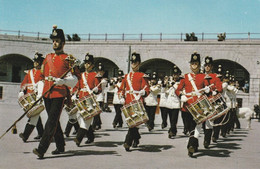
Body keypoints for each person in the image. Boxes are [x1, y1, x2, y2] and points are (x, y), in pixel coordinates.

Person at [33, 25, 79, 159]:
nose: (54, 43)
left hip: (59, 94)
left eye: (57, 40)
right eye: (53, 40)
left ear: (63, 43)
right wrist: (40, 90)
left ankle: (42, 149)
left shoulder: (68, 58)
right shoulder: (47, 57)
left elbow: (76, 78)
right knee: (54, 121)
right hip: (47, 93)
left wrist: (64, 81)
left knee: (51, 121)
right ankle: (60, 145)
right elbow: (42, 77)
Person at [175, 51, 209, 157]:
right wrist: (181, 95)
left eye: (196, 63)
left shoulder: (204, 77)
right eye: (192, 63)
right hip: (187, 107)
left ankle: (192, 146)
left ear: (199, 65)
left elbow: (209, 89)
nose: (194, 65)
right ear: (190, 65)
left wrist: (208, 90)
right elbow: (178, 90)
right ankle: (194, 144)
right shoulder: (185, 77)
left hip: (199, 106)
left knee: (195, 128)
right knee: (189, 128)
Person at [118, 52, 150, 151]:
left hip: (137, 100)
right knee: (132, 123)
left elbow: (147, 89)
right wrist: (121, 96)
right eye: (132, 62)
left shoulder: (142, 76)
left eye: (135, 62)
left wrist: (143, 92)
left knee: (133, 123)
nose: (133, 64)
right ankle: (136, 138)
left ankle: (127, 142)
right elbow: (121, 89)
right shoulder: (126, 76)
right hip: (127, 101)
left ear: (139, 63)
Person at [73, 53, 101, 146]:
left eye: (89, 63)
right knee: (81, 118)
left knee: (86, 120)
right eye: (85, 63)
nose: (86, 65)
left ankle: (78, 139)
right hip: (81, 99)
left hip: (90, 100)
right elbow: (77, 86)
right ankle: (91, 136)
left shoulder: (95, 75)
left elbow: (99, 88)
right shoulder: (81, 75)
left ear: (92, 65)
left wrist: (97, 90)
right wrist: (74, 94)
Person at [18, 52, 45, 142]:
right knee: (35, 115)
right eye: (35, 61)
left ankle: (25, 135)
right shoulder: (30, 72)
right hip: (29, 97)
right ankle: (41, 133)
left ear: (41, 62)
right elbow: (24, 83)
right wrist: (22, 91)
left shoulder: (43, 72)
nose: (35, 63)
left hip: (38, 97)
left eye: (37, 61)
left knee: (34, 115)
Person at [202, 56, 223, 148]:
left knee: (209, 122)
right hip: (202, 102)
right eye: (206, 65)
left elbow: (220, 88)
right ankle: (206, 136)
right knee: (202, 122)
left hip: (211, 101)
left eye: (209, 65)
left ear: (211, 67)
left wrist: (214, 91)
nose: (207, 67)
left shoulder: (215, 77)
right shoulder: (200, 76)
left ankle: (207, 140)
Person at [165, 66, 182, 138]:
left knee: (174, 119)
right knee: (170, 118)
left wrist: (173, 85)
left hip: (176, 102)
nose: (175, 76)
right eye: (174, 75)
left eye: (177, 74)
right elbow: (166, 92)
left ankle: (172, 131)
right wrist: (165, 85)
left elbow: (178, 90)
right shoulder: (170, 82)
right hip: (169, 102)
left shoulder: (180, 82)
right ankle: (173, 130)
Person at [92, 62, 106, 130]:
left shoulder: (103, 80)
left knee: (96, 112)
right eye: (99, 71)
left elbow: (102, 87)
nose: (100, 72)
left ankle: (94, 126)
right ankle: (99, 123)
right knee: (96, 112)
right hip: (94, 96)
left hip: (100, 96)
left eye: (101, 71)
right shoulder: (95, 78)